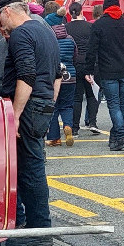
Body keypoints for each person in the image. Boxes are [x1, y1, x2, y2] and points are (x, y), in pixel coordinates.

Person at [0, 0, 59, 240]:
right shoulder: (45, 30)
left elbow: (26, 76)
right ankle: (35, 226)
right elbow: (56, 74)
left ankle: (39, 230)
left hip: (29, 106)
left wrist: (16, 115)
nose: (0, 26)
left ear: (8, 11)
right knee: (31, 166)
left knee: (30, 170)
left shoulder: (20, 34)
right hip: (41, 103)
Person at [83, 0, 124, 152]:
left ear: (105, 8)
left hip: (108, 71)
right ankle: (115, 139)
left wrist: (88, 70)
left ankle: (120, 136)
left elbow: (91, 49)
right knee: (121, 104)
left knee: (113, 105)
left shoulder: (99, 25)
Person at [65, 3, 102, 136]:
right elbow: (96, 47)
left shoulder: (66, 28)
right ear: (82, 12)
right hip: (91, 64)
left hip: (74, 64)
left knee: (76, 97)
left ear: (69, 13)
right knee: (92, 95)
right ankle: (92, 122)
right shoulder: (90, 27)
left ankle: (74, 127)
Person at [46, 10, 77, 147]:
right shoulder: (70, 39)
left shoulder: (48, 39)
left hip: (54, 76)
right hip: (70, 75)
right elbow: (75, 56)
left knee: (53, 106)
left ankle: (54, 138)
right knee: (67, 105)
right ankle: (68, 125)